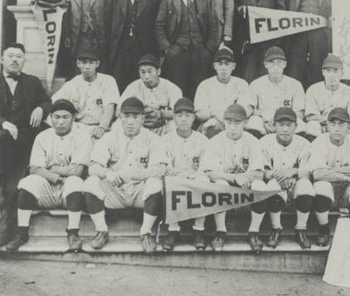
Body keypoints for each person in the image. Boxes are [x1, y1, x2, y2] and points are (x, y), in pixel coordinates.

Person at [5, 100, 91, 252]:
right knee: (28, 182)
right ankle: (22, 232)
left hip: (69, 193)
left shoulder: (83, 136)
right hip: (47, 190)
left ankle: (73, 233)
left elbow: (77, 171)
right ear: (50, 117)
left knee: (75, 181)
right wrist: (56, 176)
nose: (60, 122)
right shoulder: (43, 136)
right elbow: (35, 168)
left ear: (74, 117)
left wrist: (51, 167)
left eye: (65, 117)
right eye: (56, 117)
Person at [82, 97, 166, 253]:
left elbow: (161, 169)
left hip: (140, 190)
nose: (130, 121)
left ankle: (146, 233)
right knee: (90, 183)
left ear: (143, 118)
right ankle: (102, 231)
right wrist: (108, 173)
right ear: (120, 117)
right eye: (126, 116)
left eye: (135, 117)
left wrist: (139, 174)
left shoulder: (153, 138)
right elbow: (93, 167)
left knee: (156, 184)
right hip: (116, 190)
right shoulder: (110, 137)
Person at [201, 104, 265, 253]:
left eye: (237, 123)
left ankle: (254, 233)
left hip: (246, 185)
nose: (232, 127)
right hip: (226, 185)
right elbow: (210, 172)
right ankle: (220, 232)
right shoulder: (215, 141)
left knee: (260, 186)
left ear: (245, 123)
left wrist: (244, 177)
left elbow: (259, 173)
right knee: (220, 183)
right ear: (224, 122)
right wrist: (235, 177)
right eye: (229, 123)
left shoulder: (253, 141)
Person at [154, 0, 219, 99]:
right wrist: (167, 49)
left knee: (199, 89)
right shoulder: (168, 1)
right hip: (176, 54)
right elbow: (159, 26)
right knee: (177, 89)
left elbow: (213, 26)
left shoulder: (204, 2)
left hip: (200, 54)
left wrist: (208, 50)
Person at [308, 108, 350, 247]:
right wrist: (347, 177)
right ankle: (323, 229)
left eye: (341, 124)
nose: (336, 128)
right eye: (333, 124)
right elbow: (318, 174)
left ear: (348, 127)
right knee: (321, 187)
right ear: (327, 126)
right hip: (330, 185)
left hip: (346, 189)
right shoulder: (319, 142)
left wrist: (330, 170)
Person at [0, 43, 51, 206]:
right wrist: (4, 123)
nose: (15, 60)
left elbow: (46, 100)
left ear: (24, 61)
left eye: (19, 57)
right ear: (2, 59)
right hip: (3, 139)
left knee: (16, 186)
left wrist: (40, 109)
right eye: (10, 56)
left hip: (25, 137)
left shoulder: (32, 81)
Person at [259, 107, 314, 249]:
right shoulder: (265, 142)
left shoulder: (304, 143)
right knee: (271, 185)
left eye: (289, 125)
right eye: (281, 125)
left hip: (295, 184)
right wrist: (278, 175)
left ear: (296, 126)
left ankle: (300, 229)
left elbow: (309, 171)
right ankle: (276, 228)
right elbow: (261, 171)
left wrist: (293, 173)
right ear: (273, 126)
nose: (285, 129)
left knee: (306, 185)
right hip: (276, 183)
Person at [161, 98, 210, 251]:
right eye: (179, 115)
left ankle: (198, 230)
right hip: (177, 179)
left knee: (204, 181)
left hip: (195, 178)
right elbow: (164, 167)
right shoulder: (165, 140)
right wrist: (183, 176)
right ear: (173, 117)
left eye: (187, 115)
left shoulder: (202, 139)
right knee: (168, 182)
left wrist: (195, 176)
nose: (183, 119)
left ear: (194, 118)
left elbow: (207, 165)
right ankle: (173, 230)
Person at [104, 0, 160, 91]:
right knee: (119, 84)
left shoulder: (152, 0)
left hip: (143, 50)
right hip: (119, 50)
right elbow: (106, 27)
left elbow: (155, 29)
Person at [286, 0, 332, 87]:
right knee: (296, 65)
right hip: (298, 32)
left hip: (320, 32)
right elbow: (288, 6)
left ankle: (317, 95)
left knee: (317, 65)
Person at [51, 51, 119, 142]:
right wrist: (69, 107)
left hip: (101, 126)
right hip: (78, 126)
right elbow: (55, 102)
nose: (87, 67)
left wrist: (102, 127)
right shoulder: (73, 83)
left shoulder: (108, 81)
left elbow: (109, 107)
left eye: (91, 63)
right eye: (84, 62)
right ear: (78, 64)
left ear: (97, 64)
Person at [241, 46, 305, 137]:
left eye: (279, 63)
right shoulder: (256, 84)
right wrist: (264, 119)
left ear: (285, 64)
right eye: (271, 63)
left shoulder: (295, 84)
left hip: (286, 124)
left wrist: (283, 122)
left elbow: (300, 113)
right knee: (253, 122)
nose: (275, 67)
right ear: (265, 65)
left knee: (301, 124)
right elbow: (249, 109)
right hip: (264, 124)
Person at [63, 0, 111, 74]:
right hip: (78, 36)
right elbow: (65, 15)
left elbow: (109, 15)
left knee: (99, 68)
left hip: (98, 36)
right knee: (78, 68)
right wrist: (67, 36)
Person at [305, 54, 350, 139]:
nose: (332, 75)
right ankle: (317, 150)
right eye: (328, 71)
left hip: (344, 128)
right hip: (322, 128)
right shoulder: (313, 90)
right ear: (323, 72)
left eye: (335, 71)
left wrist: (339, 122)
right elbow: (310, 117)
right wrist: (330, 120)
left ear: (342, 73)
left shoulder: (349, 92)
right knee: (312, 126)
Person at [119, 54, 182, 136]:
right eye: (143, 72)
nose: (146, 76)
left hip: (164, 127)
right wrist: (138, 112)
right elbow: (118, 111)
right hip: (140, 126)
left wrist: (161, 114)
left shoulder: (171, 87)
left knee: (177, 124)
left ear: (158, 71)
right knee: (119, 124)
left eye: (150, 71)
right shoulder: (133, 86)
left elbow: (180, 112)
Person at [194, 46, 248, 138]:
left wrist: (227, 122)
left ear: (233, 66)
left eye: (227, 64)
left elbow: (246, 109)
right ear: (215, 66)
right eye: (220, 64)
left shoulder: (242, 84)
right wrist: (215, 114)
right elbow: (199, 113)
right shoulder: (205, 85)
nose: (223, 68)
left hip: (237, 123)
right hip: (213, 123)